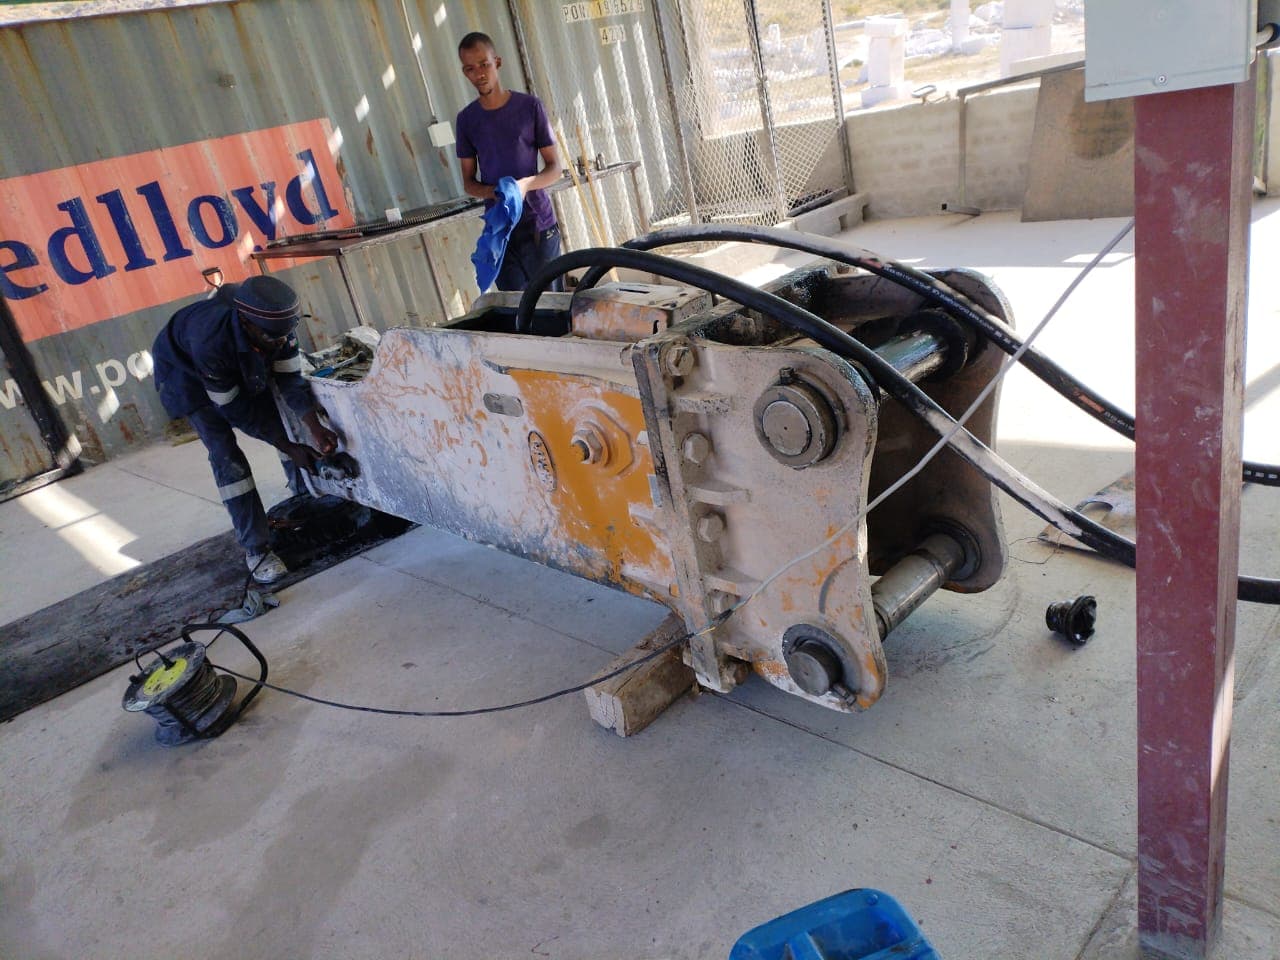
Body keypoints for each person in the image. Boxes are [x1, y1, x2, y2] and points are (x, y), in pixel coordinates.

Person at [151, 275, 338, 584]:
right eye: (273, 338)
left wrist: (313, 428)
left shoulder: (277, 327)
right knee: (227, 456)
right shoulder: (209, 341)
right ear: (247, 324)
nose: (282, 342)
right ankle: (257, 550)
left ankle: (306, 497)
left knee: (286, 425)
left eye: (285, 335)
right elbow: (234, 409)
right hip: (186, 377)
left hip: (241, 358)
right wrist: (289, 446)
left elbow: (290, 381)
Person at [455, 31, 564, 291]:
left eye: (484, 64)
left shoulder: (530, 107)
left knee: (551, 307)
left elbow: (555, 169)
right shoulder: (467, 120)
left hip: (538, 224)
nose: (479, 73)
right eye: (471, 68)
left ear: (498, 62)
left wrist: (525, 185)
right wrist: (495, 192)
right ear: (465, 73)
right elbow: (469, 183)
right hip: (500, 231)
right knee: (515, 311)